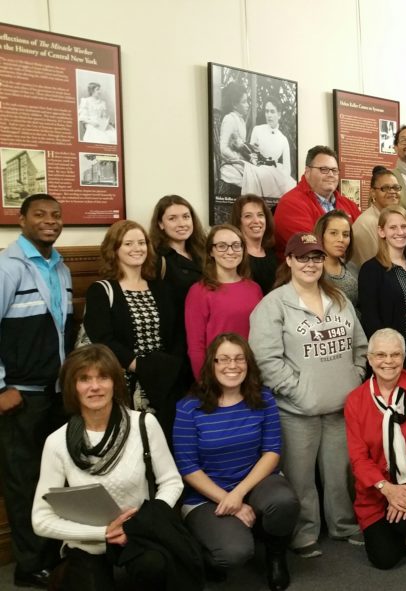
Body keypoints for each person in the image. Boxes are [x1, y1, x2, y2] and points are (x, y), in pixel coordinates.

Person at [31, 344, 189, 591]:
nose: (95, 387)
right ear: (73, 387)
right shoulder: (57, 442)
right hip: (88, 539)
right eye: (84, 379)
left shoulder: (144, 425)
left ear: (115, 382)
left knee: (154, 566)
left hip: (140, 532)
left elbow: (172, 481)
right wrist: (104, 532)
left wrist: (140, 523)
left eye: (103, 377)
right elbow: (40, 519)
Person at [249, 232, 368, 556]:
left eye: (316, 257)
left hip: (341, 406)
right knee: (300, 479)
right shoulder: (272, 304)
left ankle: (343, 525)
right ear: (288, 260)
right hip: (296, 411)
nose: (310, 264)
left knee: (340, 474)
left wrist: (354, 378)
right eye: (302, 257)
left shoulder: (339, 299)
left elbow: (361, 345)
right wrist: (297, 391)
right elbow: (265, 359)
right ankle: (304, 533)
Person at [173, 333, 299, 590]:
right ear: (212, 364)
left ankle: (276, 556)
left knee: (284, 502)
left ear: (248, 363)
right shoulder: (189, 408)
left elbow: (272, 452)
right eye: (224, 359)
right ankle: (208, 553)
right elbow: (188, 467)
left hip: (254, 484)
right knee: (234, 552)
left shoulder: (263, 399)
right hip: (206, 496)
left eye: (239, 359)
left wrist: (238, 495)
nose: (233, 366)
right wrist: (227, 499)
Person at [0, 194, 71, 589]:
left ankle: (51, 554)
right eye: (40, 215)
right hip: (20, 396)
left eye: (56, 215)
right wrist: (1, 388)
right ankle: (29, 565)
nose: (50, 221)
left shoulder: (58, 267)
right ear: (21, 219)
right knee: (23, 481)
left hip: (56, 392)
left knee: (56, 479)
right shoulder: (7, 267)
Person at [344, 328, 406, 570]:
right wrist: (388, 490)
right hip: (377, 489)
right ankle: (402, 525)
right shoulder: (355, 400)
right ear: (369, 359)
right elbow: (359, 458)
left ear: (403, 357)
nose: (388, 362)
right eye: (380, 355)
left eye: (395, 355)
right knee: (384, 559)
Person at [83, 220, 186, 437]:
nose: (137, 248)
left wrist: (170, 367)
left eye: (141, 243)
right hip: (125, 384)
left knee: (164, 442)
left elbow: (178, 330)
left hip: (164, 383)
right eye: (128, 243)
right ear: (114, 249)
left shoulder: (161, 287)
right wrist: (138, 365)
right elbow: (102, 338)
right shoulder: (101, 291)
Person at [184, 224, 263, 380]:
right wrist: (204, 382)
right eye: (222, 246)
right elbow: (196, 347)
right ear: (211, 252)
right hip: (218, 375)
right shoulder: (199, 291)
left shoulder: (254, 288)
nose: (230, 251)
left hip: (251, 372)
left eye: (236, 246)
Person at [358, 206, 406, 374]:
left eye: (404, 226)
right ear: (382, 232)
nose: (400, 232)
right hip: (389, 360)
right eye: (393, 227)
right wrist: (394, 358)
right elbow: (371, 319)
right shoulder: (371, 269)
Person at [273, 145, 360, 260]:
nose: (331, 175)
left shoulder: (349, 205)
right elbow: (310, 249)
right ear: (307, 172)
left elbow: (361, 243)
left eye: (334, 170)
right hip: (307, 274)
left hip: (346, 271)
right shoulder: (290, 204)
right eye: (323, 169)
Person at [149, 194, 207, 320]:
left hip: (207, 324)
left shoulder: (204, 251)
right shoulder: (156, 258)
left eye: (186, 217)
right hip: (177, 330)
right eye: (172, 218)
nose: (182, 224)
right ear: (161, 224)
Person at [350, 167, 402, 267]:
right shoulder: (365, 224)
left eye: (396, 187)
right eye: (385, 188)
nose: (392, 192)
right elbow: (371, 267)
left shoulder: (395, 219)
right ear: (373, 193)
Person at [247, 97, 297, 196]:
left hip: (275, 173)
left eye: (272, 112)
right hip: (257, 169)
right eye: (267, 111)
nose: (269, 115)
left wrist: (280, 179)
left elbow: (287, 170)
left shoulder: (283, 139)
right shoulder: (257, 130)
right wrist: (254, 156)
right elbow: (250, 153)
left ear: (279, 114)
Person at [230, 195, 278, 295]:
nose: (256, 221)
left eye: (260, 215)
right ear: (239, 222)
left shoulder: (272, 253)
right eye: (248, 216)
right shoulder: (234, 256)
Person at [313, 210, 359, 307]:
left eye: (346, 235)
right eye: (333, 233)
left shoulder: (352, 268)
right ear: (321, 235)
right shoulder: (309, 269)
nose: (341, 239)